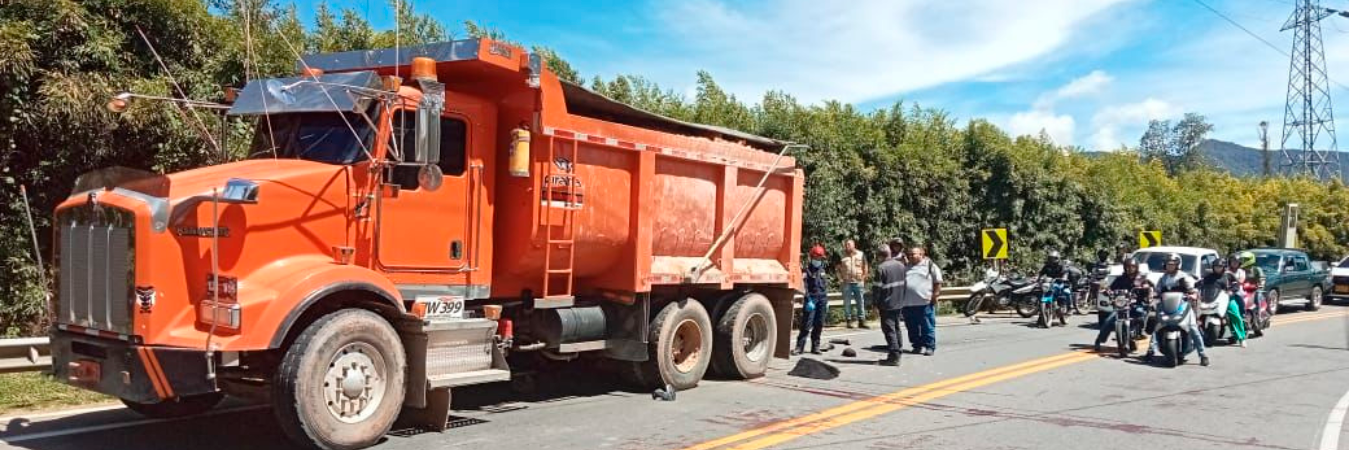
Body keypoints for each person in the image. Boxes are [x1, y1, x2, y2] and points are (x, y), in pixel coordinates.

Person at [1146, 253, 1209, 367]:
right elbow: (1157, 290)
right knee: (1157, 326)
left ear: (1177, 265)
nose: (1170, 266)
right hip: (1166, 306)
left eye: (1172, 264)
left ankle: (1203, 355)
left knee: (1193, 328)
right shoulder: (1163, 278)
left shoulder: (1183, 277)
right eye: (1168, 264)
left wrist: (1193, 294)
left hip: (1182, 305)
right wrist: (1153, 295)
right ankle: (1151, 350)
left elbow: (1192, 289)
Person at [1094, 259, 1152, 352]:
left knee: (1140, 313)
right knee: (1109, 320)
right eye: (1128, 267)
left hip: (1136, 305)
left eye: (1132, 267)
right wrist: (1105, 290)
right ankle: (1099, 341)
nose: (1130, 269)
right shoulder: (1121, 279)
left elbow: (1149, 288)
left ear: (1136, 267)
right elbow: (1111, 288)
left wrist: (1146, 290)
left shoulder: (1141, 278)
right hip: (1122, 305)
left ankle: (1140, 332)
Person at [900, 246, 943, 356]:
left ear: (921, 254)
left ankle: (929, 346)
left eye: (913, 254)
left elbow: (938, 281)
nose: (911, 256)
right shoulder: (906, 267)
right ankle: (917, 345)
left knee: (927, 326)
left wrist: (935, 295)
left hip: (924, 303)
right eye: (909, 254)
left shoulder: (929, 265)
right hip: (908, 304)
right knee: (911, 327)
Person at [871, 245, 907, 366]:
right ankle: (899, 350)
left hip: (886, 304)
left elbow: (877, 289)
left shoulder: (881, 268)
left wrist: (874, 305)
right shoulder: (901, 266)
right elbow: (905, 285)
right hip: (899, 302)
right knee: (896, 327)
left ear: (880, 256)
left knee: (889, 329)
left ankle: (894, 356)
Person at [1202, 258, 1247, 348]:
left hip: (1226, 299)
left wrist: (1231, 291)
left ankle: (1242, 338)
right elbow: (1200, 284)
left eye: (1220, 267)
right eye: (1216, 267)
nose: (1218, 268)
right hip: (1211, 300)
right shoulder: (1208, 276)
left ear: (1224, 267)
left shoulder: (1228, 275)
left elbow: (1236, 285)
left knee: (1235, 315)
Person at [794, 245, 829, 355]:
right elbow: (805, 287)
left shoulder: (822, 270)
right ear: (812, 257)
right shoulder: (807, 271)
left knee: (819, 324)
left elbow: (824, 286)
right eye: (817, 258)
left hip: (822, 299)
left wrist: (826, 301)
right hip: (811, 299)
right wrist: (808, 300)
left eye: (820, 259)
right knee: (806, 324)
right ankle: (799, 347)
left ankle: (815, 346)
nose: (819, 261)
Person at [838, 239, 870, 329]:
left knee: (860, 302)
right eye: (846, 245)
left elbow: (865, 266)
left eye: (849, 244)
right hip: (846, 282)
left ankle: (862, 321)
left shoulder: (861, 254)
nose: (847, 246)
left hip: (858, 282)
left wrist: (864, 277)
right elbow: (837, 268)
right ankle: (848, 321)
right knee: (847, 302)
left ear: (853, 245)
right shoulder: (842, 255)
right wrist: (840, 279)